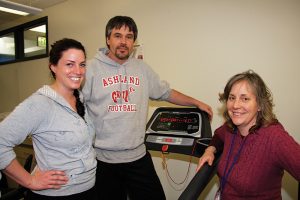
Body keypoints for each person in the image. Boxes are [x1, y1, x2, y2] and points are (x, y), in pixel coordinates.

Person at [82, 15, 213, 200]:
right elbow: (74, 106)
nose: (123, 42)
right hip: (104, 161)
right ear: (107, 39)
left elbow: (166, 92)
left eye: (129, 37)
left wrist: (196, 102)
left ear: (134, 41)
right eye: (118, 35)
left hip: (137, 157)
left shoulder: (141, 69)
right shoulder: (90, 69)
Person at [0, 38, 97, 200]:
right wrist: (30, 181)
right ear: (53, 67)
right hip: (57, 194)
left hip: (88, 189)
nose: (78, 71)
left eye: (82, 64)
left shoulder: (79, 97)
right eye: (69, 64)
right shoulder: (40, 104)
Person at [197, 70, 300, 199]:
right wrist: (210, 149)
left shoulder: (274, 137)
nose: (235, 105)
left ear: (259, 105)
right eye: (232, 97)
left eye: (245, 99)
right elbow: (218, 135)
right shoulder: (231, 127)